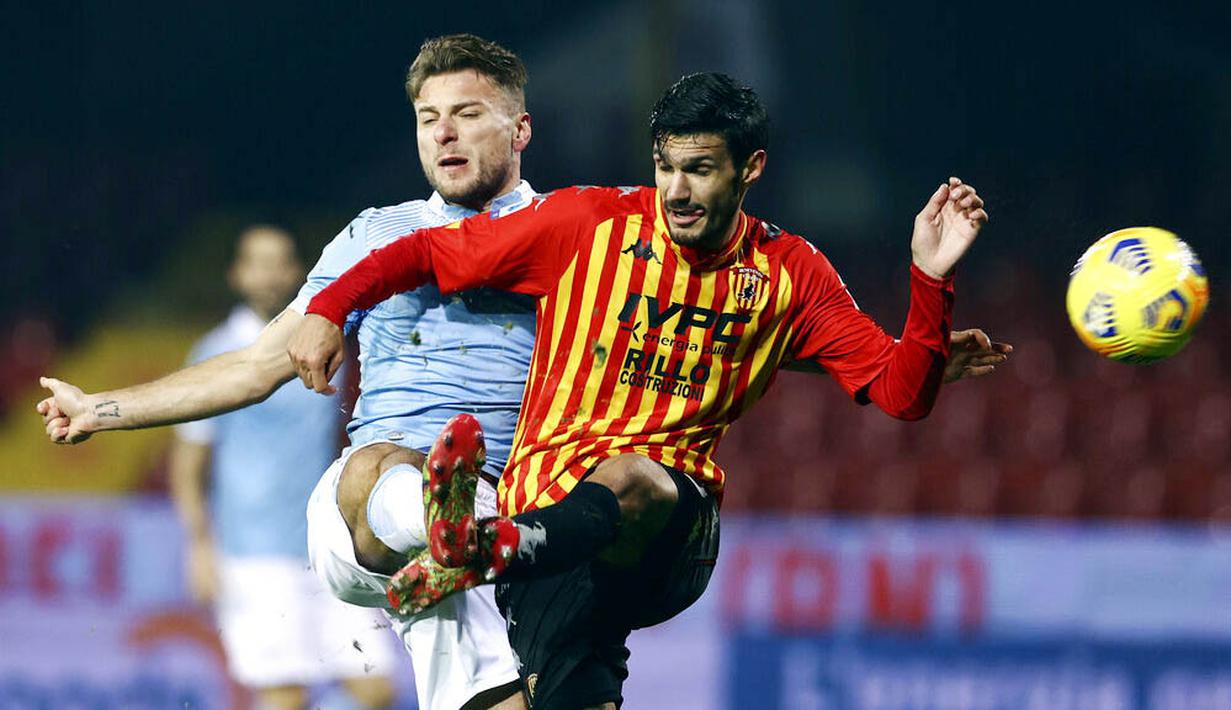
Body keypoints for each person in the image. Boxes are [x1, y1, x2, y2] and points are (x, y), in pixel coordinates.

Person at [289, 72, 995, 710]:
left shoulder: (792, 272)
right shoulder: (586, 225)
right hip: (549, 525)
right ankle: (493, 553)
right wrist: (327, 310)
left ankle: (483, 549)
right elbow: (423, 252)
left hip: (664, 532)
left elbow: (899, 392)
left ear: (750, 169)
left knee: (636, 478)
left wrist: (928, 280)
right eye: (664, 168)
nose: (677, 191)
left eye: (698, 170)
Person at [36, 34, 537, 710]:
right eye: (427, 118)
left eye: (468, 114)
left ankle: (454, 539)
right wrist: (101, 409)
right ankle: (438, 512)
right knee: (378, 468)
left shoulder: (572, 236)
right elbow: (254, 366)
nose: (443, 133)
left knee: (505, 694)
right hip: (360, 521)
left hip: (511, 519)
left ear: (519, 128)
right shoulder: (376, 236)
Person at [169, 225, 396, 710]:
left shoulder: (327, 345)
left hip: (328, 544)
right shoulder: (216, 353)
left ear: (297, 271)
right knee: (283, 697)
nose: (271, 274)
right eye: (259, 262)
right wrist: (198, 543)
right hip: (255, 555)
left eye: (282, 262)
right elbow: (189, 463)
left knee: (377, 690)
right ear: (238, 274)